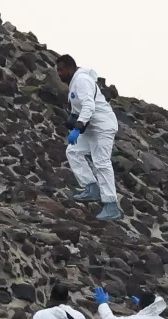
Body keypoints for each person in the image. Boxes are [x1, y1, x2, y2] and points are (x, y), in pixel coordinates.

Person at [55, 54, 121, 222]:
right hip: (91, 127)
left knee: (101, 162)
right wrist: (74, 120)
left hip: (102, 126)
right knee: (73, 151)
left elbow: (89, 106)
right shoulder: (74, 85)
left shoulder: (81, 80)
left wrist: (77, 128)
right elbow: (80, 108)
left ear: (71, 68)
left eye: (61, 70)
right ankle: (91, 188)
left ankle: (111, 205)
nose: (59, 74)